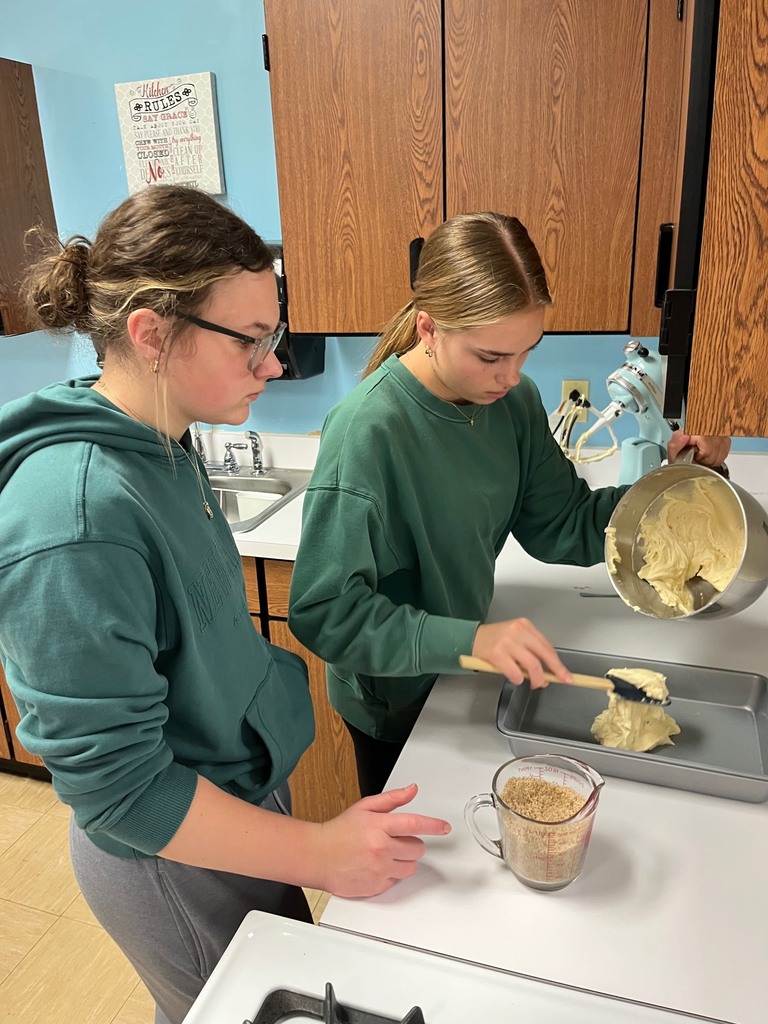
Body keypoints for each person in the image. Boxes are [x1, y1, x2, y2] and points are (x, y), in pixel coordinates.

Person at [0, 185, 450, 1024]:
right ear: (151, 334)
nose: (274, 365)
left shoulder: (164, 444)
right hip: (168, 854)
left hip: (233, 804)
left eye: (270, 337)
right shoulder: (74, 516)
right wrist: (318, 849)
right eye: (250, 340)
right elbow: (121, 790)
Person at [287, 211, 730, 798]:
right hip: (397, 698)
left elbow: (563, 525)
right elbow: (324, 615)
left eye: (526, 351)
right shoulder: (368, 434)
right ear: (428, 329)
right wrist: (471, 641)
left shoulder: (515, 401)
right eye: (490, 357)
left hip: (466, 672)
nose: (511, 376)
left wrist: (683, 485)